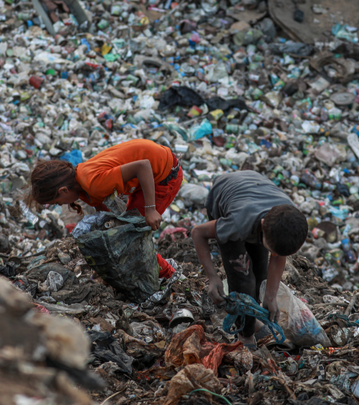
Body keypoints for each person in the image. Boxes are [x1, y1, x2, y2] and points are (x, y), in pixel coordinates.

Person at [190, 170, 308, 346]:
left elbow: (278, 256)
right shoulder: (236, 223)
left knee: (260, 277)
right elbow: (198, 232)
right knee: (243, 281)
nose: (274, 255)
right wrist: (213, 277)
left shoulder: (288, 218)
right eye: (272, 249)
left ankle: (252, 321)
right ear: (262, 227)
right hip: (225, 195)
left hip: (254, 188)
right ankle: (245, 335)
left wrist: (270, 296)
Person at [25, 138, 182, 230]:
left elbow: (143, 166)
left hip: (164, 173)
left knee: (134, 234)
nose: (61, 205)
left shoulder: (94, 183)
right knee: (125, 229)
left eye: (57, 202)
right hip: (145, 174)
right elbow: (106, 212)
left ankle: (170, 275)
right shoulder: (82, 184)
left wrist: (151, 209)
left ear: (63, 190)